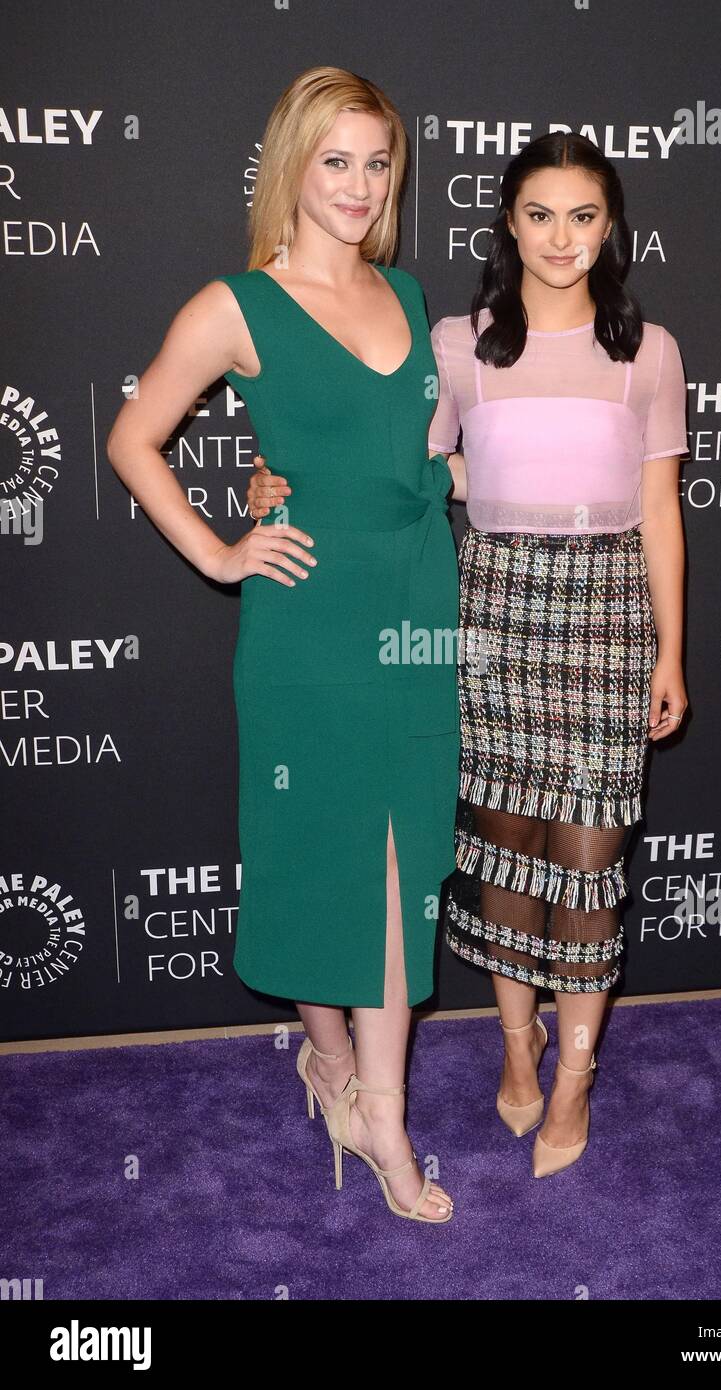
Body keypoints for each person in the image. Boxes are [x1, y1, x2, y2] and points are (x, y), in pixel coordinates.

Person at [247, 131, 689, 1179]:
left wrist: (671, 651)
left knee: (588, 861)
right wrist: (275, 481)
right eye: (539, 215)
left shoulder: (650, 350)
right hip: (486, 608)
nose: (560, 238)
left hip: (606, 611)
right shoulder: (456, 341)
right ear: (506, 224)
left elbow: (662, 512)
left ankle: (574, 1076)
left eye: (583, 217)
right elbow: (385, 455)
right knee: (499, 857)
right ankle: (516, 1046)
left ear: (609, 227)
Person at [106, 66, 458, 1223]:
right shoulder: (234, 305)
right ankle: (338, 1077)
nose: (359, 186)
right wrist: (219, 552)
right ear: (292, 169)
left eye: (377, 162)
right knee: (322, 861)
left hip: (416, 612)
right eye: (336, 161)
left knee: (403, 869)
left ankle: (380, 1113)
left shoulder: (408, 296)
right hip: (307, 626)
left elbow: (408, 456)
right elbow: (132, 439)